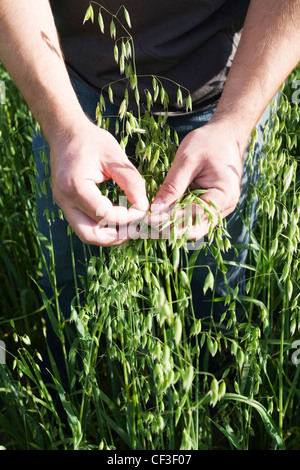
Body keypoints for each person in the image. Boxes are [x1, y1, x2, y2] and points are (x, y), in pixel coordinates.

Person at [0, 1, 299, 373]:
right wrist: (63, 126)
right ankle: (70, 403)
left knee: (217, 300)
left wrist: (234, 128)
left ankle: (212, 414)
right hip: (70, 86)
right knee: (72, 296)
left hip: (231, 93)